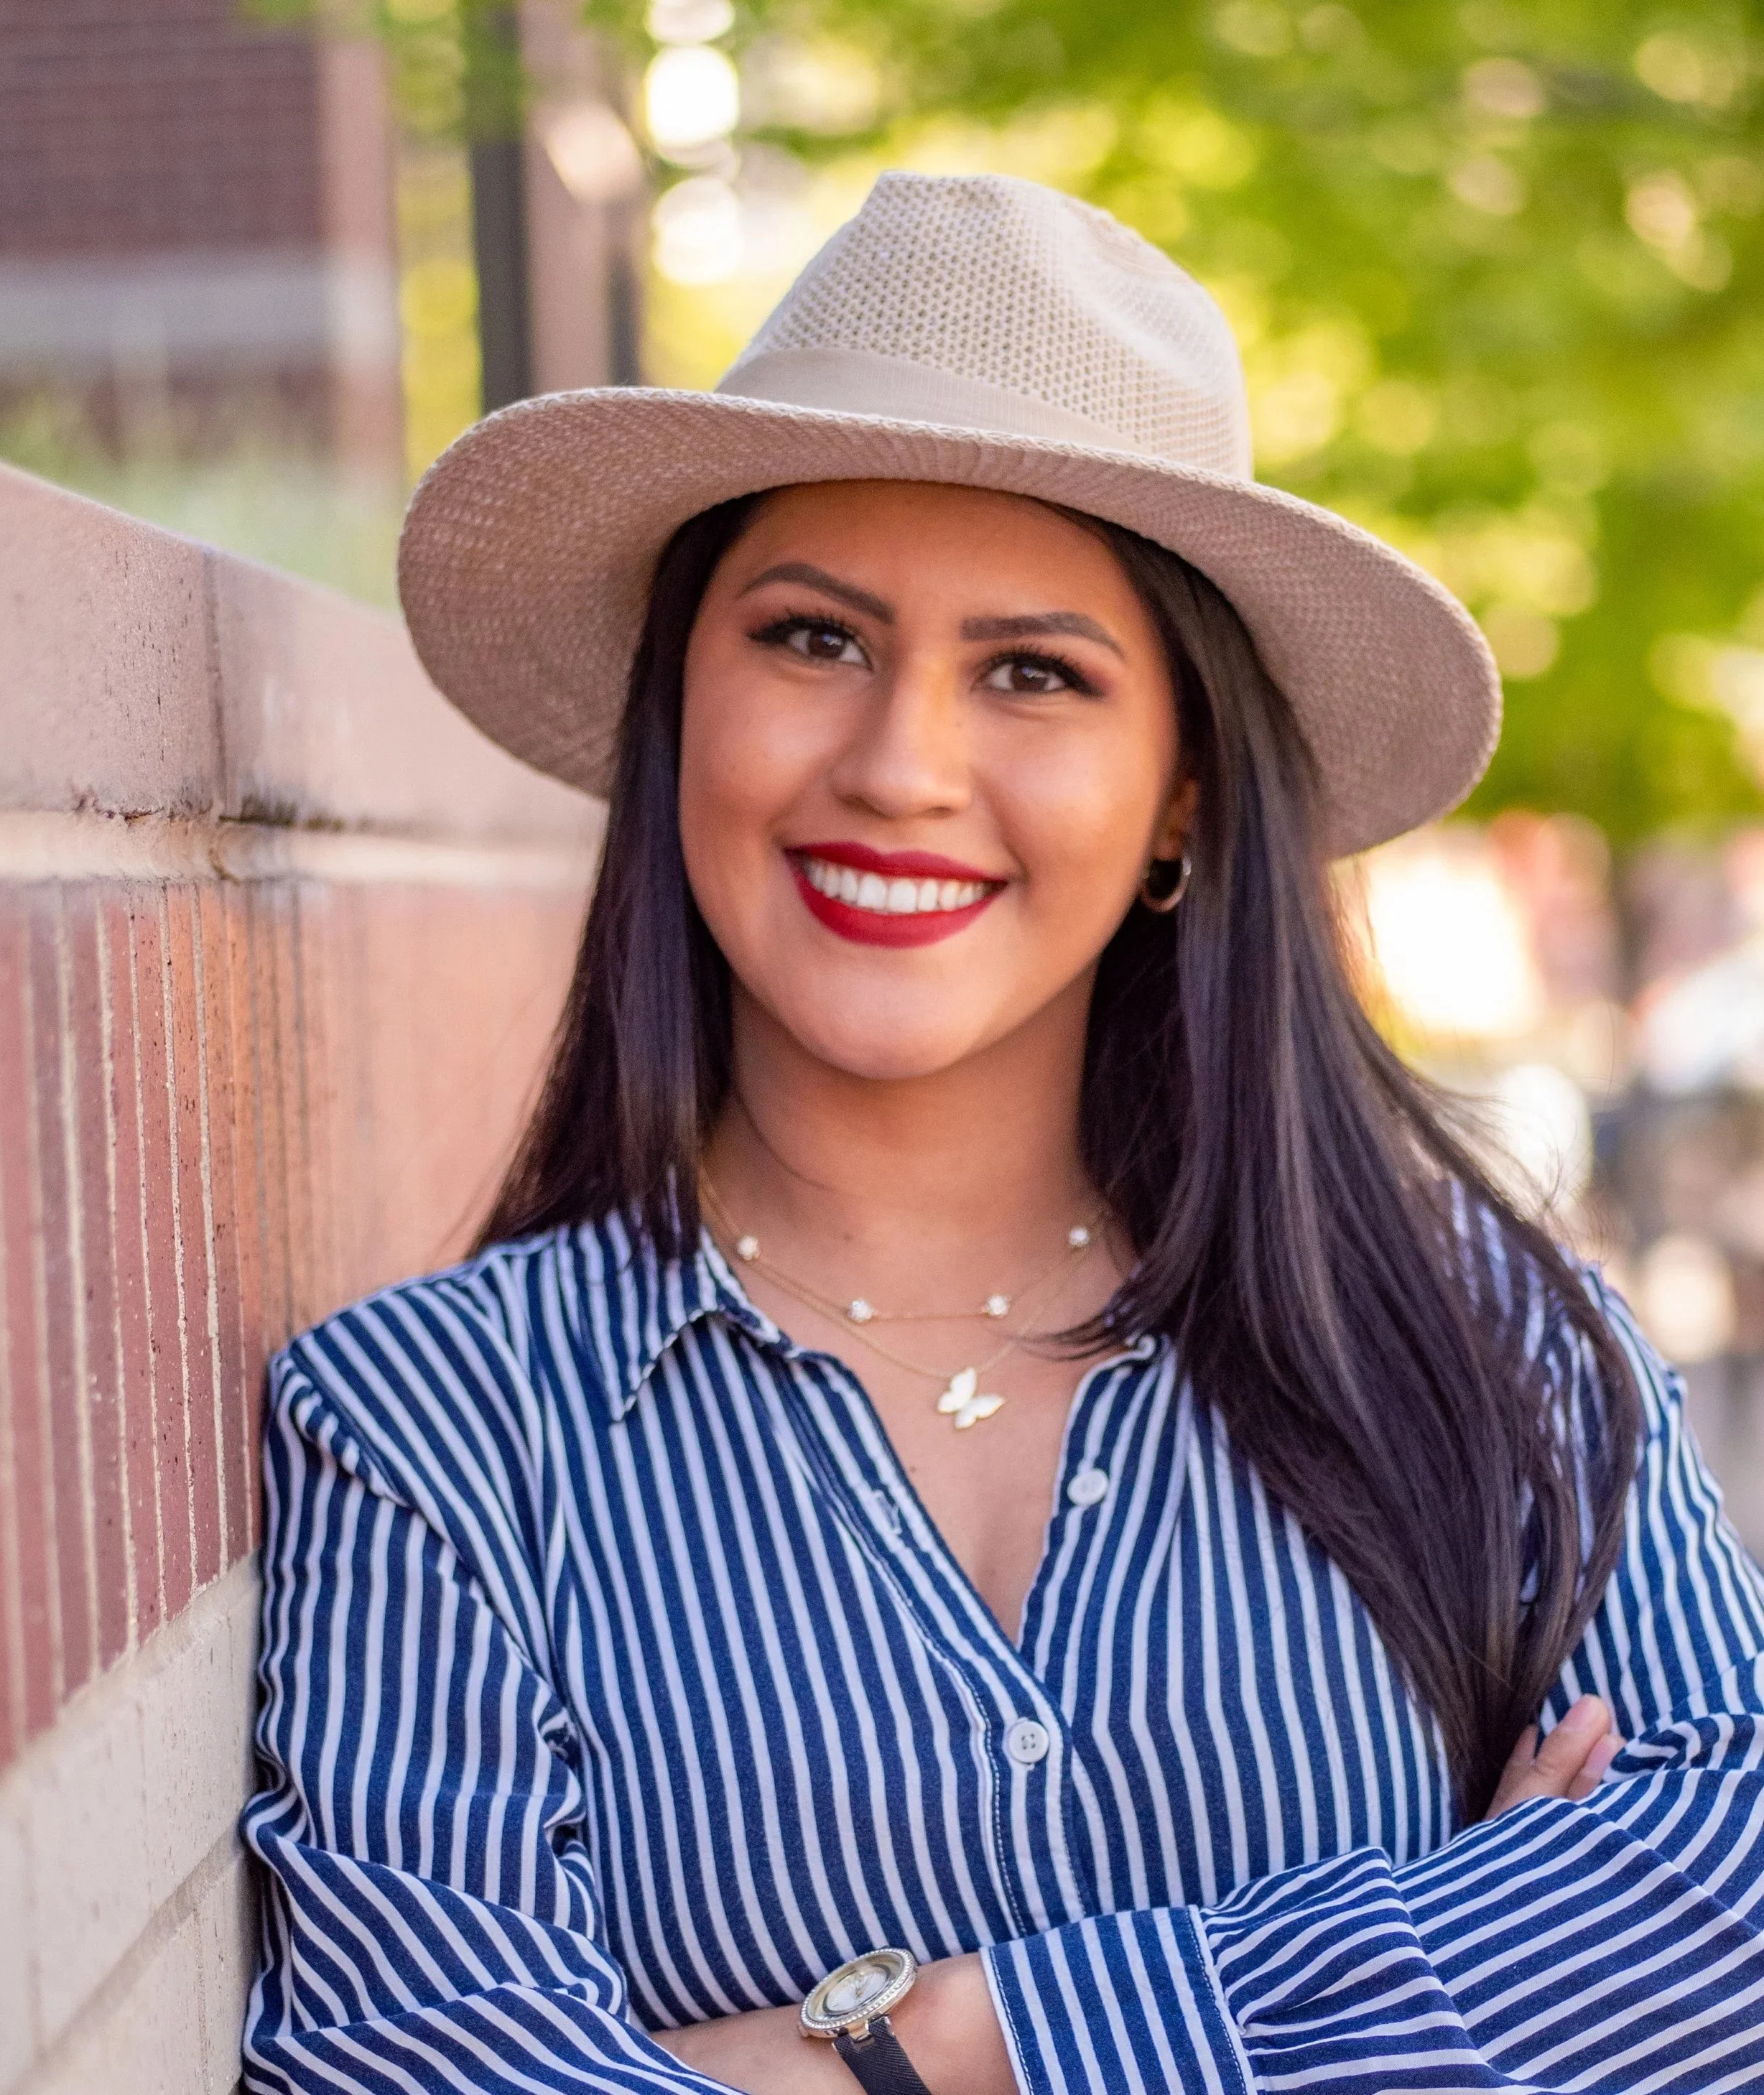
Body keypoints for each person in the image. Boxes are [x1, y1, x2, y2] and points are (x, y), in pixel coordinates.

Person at [241, 174, 1764, 2094]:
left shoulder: (1491, 1355)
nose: (900, 764)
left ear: (1183, 790)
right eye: (813, 638)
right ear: (679, 706)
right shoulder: (435, 1434)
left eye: (1035, 672)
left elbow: (1728, 1933)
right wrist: (1449, 1945)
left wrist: (935, 2044)